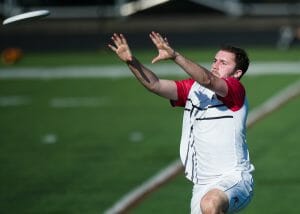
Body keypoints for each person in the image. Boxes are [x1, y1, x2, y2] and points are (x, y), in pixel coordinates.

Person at [108, 31, 254, 214]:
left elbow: (207, 79)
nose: (215, 65)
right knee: (207, 203)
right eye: (215, 60)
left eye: (223, 63)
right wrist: (131, 61)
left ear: (237, 73)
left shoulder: (235, 90)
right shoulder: (194, 89)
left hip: (234, 178)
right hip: (201, 184)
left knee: (210, 204)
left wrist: (175, 56)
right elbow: (156, 85)